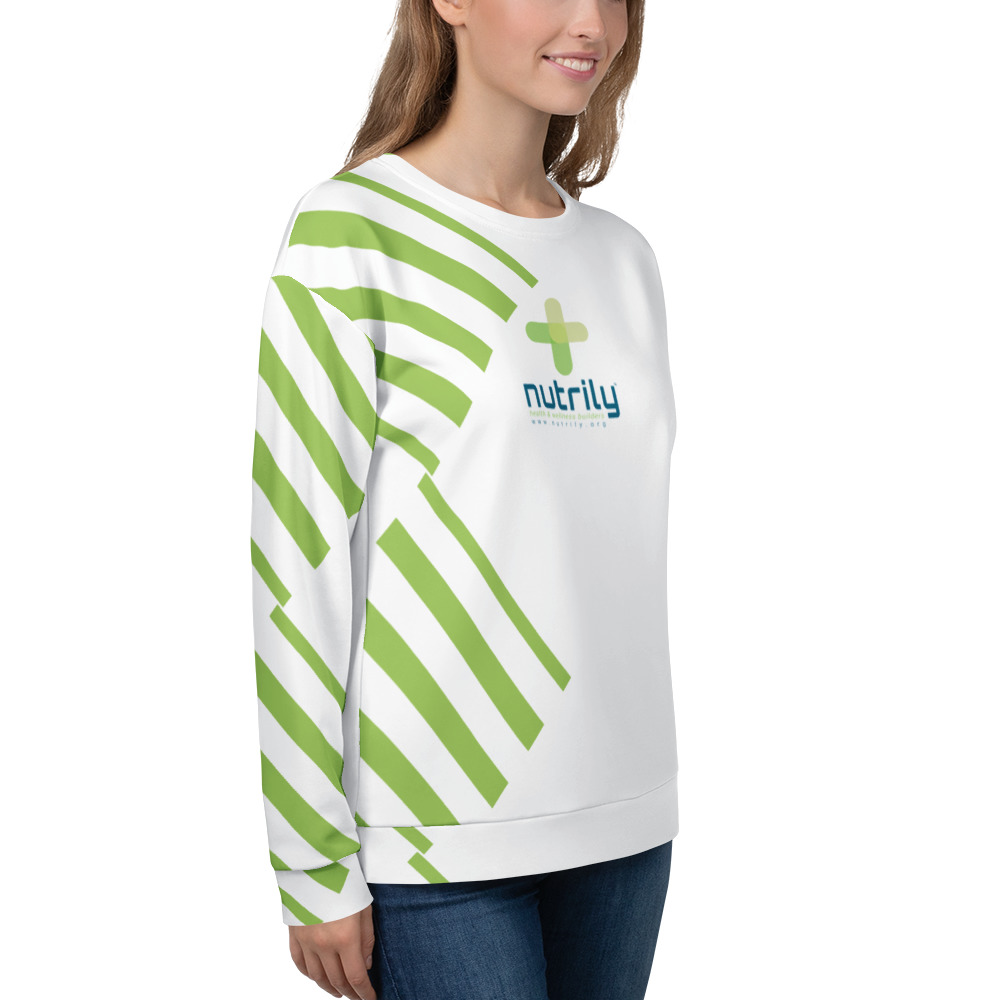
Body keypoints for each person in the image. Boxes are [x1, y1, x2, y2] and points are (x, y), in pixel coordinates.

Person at [249, 1, 679, 997]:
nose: (591, 22)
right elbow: (298, 562)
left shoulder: (622, 260)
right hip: (433, 838)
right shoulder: (352, 235)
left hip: (625, 821)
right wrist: (309, 857)